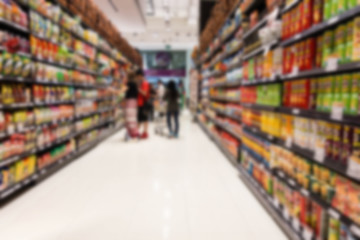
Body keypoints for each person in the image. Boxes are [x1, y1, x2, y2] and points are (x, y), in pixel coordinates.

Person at [135, 69, 151, 139]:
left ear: (140, 76)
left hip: (144, 103)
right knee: (140, 118)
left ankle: (145, 132)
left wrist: (138, 89)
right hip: (140, 103)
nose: (137, 78)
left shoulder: (145, 83)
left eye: (137, 76)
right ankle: (140, 132)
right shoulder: (142, 83)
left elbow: (144, 93)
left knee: (144, 118)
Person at [124, 73, 139, 140]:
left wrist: (114, 91)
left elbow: (123, 90)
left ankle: (132, 134)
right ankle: (133, 133)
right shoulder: (135, 84)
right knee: (132, 117)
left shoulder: (130, 83)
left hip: (130, 102)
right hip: (134, 102)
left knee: (129, 118)